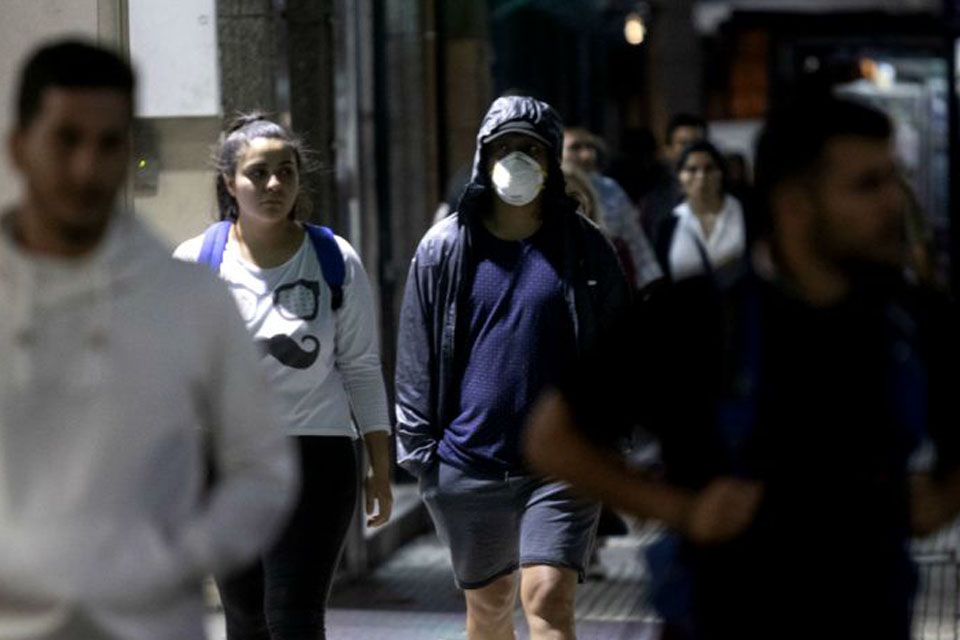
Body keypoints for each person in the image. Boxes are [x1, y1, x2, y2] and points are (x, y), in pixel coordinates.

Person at [524, 96, 960, 640]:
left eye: (893, 179)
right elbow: (551, 438)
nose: (894, 202)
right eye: (867, 185)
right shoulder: (697, 318)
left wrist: (942, 498)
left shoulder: (915, 320)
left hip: (871, 617)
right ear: (795, 205)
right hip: (724, 618)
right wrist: (680, 509)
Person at [0, 40, 298, 640]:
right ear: (18, 147)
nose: (86, 168)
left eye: (108, 144)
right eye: (66, 140)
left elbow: (262, 470)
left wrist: (177, 558)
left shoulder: (188, 298)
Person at [395, 95, 630, 640]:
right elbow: (415, 354)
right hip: (470, 459)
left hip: (563, 462)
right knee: (491, 608)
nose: (517, 159)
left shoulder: (584, 247)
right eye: (505, 147)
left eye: (531, 148)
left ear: (552, 160)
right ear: (484, 156)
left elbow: (620, 348)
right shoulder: (445, 248)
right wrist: (424, 455)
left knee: (548, 598)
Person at [174, 115, 393, 639]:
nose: (274, 184)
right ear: (230, 182)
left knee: (294, 616)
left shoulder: (334, 259)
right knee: (246, 617)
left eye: (286, 172)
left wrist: (380, 466)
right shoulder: (196, 262)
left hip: (316, 456)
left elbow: (362, 367)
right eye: (258, 173)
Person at [562, 126, 662, 290]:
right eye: (575, 148)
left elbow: (635, 240)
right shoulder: (547, 192)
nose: (587, 155)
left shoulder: (610, 188)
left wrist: (649, 284)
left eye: (590, 147)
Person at [652, 140, 747, 281]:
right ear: (680, 176)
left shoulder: (744, 212)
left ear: (721, 174)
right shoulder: (669, 225)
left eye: (709, 168)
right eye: (691, 169)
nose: (701, 176)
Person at [640, 113, 707, 240]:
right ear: (669, 150)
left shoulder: (725, 196)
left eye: (696, 143)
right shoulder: (654, 198)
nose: (691, 149)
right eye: (684, 143)